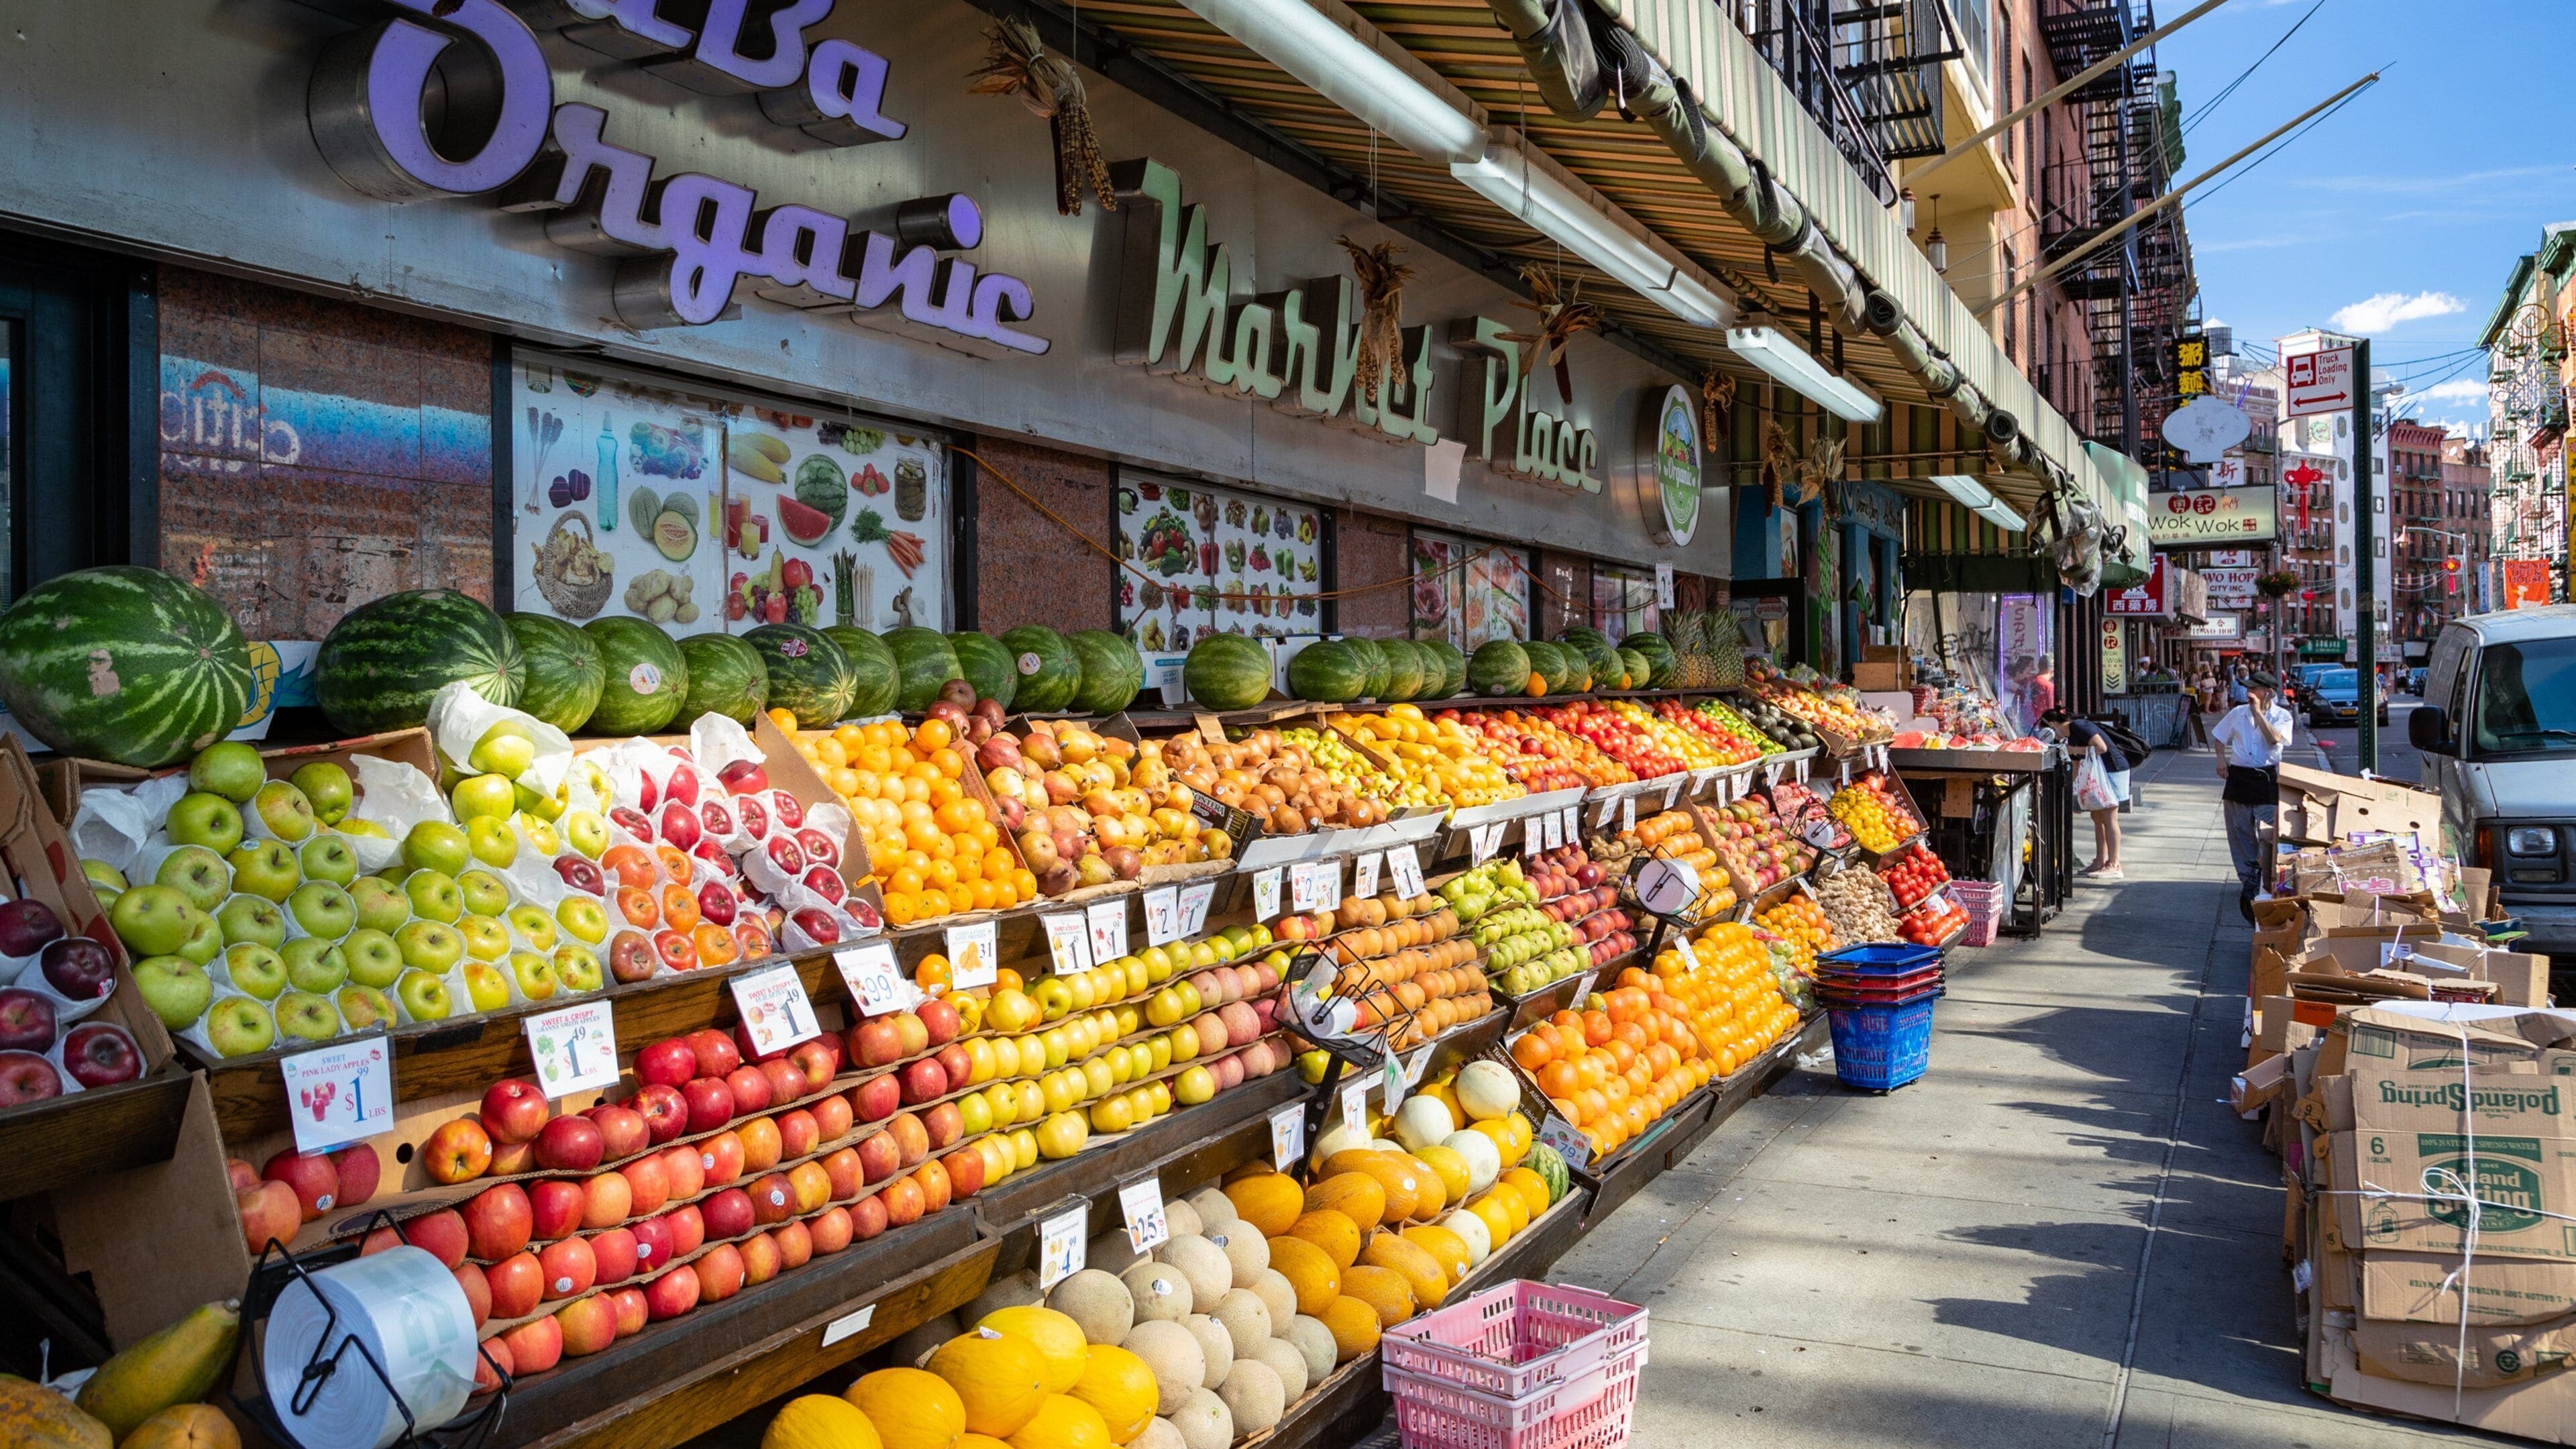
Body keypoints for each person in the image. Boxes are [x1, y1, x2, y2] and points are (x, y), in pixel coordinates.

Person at [2209, 669, 2295, 921]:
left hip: (2266, 776)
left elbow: (2274, 740)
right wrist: (2220, 759)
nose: (2248, 693)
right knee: (2240, 832)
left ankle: (2267, 876)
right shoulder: (2237, 713)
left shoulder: (2282, 716)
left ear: (2268, 692)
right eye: (2247, 688)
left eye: (2254, 689)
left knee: (2268, 832)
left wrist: (2259, 713)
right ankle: (2248, 880)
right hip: (2239, 776)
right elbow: (2218, 736)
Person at [2045, 706, 2129, 879]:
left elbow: (2101, 748)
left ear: (2053, 724)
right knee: (2097, 818)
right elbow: (2076, 766)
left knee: (2109, 817)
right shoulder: (2070, 737)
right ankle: (2100, 861)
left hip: (2112, 770)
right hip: (2099, 776)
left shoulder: (2079, 726)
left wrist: (2074, 750)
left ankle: (2114, 864)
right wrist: (2070, 790)